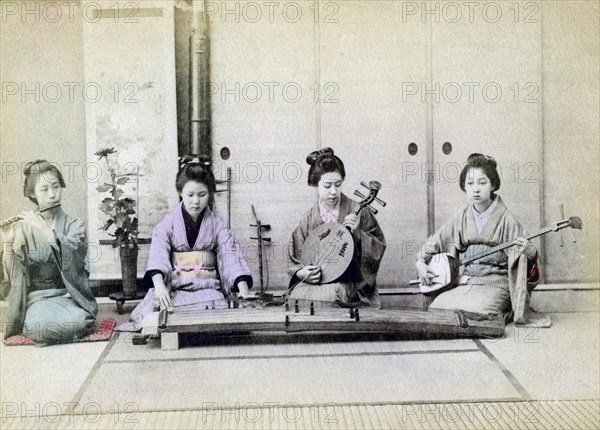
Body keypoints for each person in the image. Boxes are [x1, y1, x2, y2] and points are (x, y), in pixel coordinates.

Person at [119, 155, 253, 331]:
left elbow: (230, 257)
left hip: (208, 289)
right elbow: (158, 256)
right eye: (190, 195)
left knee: (221, 315)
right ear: (180, 192)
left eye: (202, 194)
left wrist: (242, 288)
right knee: (158, 315)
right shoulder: (167, 224)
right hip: (176, 288)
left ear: (210, 194)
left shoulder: (217, 225)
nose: (196, 201)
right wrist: (159, 287)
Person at [415, 153, 550, 326]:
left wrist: (531, 253)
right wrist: (420, 261)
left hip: (497, 284)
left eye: (482, 182)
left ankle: (506, 309)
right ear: (464, 186)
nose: (476, 189)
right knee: (437, 309)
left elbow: (523, 261)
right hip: (467, 281)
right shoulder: (461, 217)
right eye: (470, 183)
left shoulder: (506, 219)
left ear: (493, 185)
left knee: (479, 315)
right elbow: (437, 240)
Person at [3, 160, 98, 345]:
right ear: (32, 194)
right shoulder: (22, 227)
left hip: (70, 296)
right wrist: (10, 241)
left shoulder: (75, 226)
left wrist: (44, 230)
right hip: (38, 300)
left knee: (80, 321)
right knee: (41, 327)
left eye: (56, 187)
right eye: (44, 189)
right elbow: (13, 276)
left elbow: (75, 260)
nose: (53, 194)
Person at [287, 148, 386, 307]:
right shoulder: (308, 219)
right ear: (315, 185)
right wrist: (301, 272)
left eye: (338, 185)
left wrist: (358, 234)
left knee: (330, 297)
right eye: (327, 186)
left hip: (351, 284)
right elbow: (295, 256)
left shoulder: (359, 211)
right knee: (296, 296)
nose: (333, 191)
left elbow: (377, 246)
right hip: (318, 281)